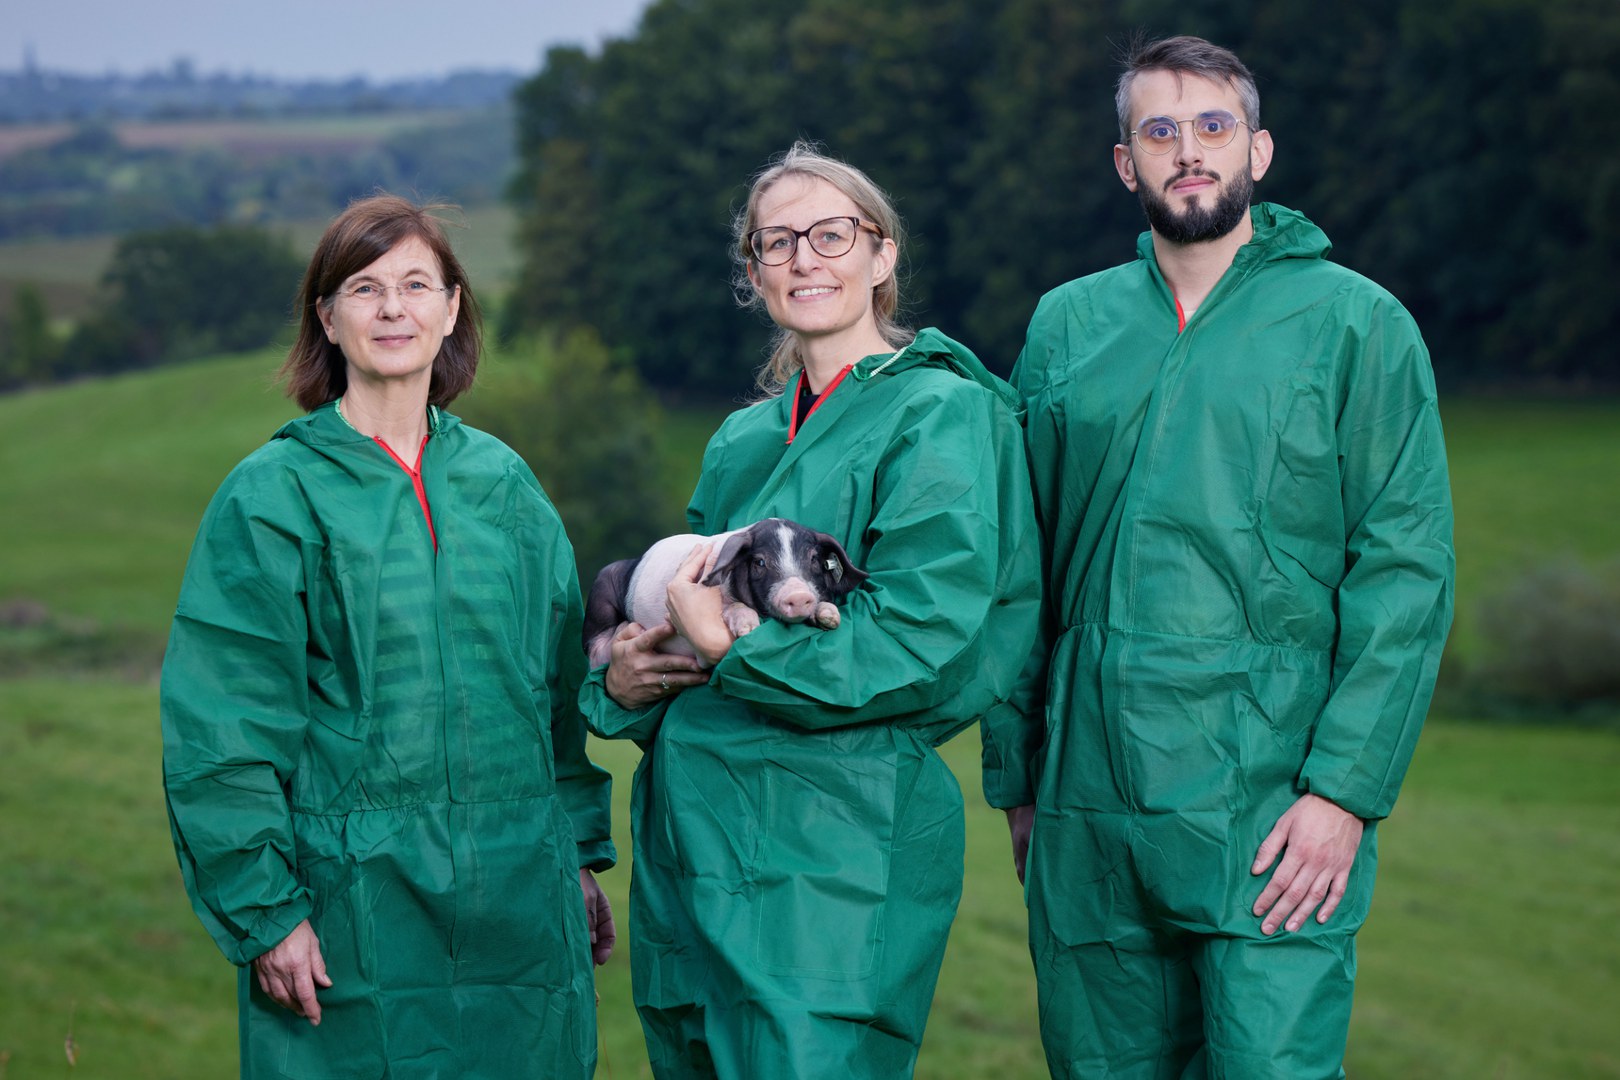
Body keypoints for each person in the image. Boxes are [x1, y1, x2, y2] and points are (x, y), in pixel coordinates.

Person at [987, 35, 1456, 1078]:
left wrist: (1345, 794)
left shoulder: (1356, 324)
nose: (1187, 150)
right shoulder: (1068, 327)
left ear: (1260, 150)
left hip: (1272, 803)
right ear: (1126, 164)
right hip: (1090, 801)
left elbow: (1406, 574)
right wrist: (1021, 774)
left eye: (1212, 126)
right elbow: (1024, 565)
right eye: (1159, 130)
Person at [579, 142, 1041, 1079]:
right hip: (690, 847)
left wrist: (734, 654)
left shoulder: (941, 416)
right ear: (752, 273)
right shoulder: (743, 439)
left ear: (883, 257)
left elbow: (923, 642)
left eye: (832, 234)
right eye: (776, 241)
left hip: (832, 853)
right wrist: (627, 680)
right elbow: (688, 625)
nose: (805, 258)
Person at [161, 194, 617, 1078]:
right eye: (364, 288)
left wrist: (578, 858)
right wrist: (266, 911)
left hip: (520, 898)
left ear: (452, 310)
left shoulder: (506, 488)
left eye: (417, 284)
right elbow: (225, 728)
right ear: (327, 319)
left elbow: (555, 698)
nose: (393, 308)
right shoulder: (273, 496)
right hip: (350, 908)